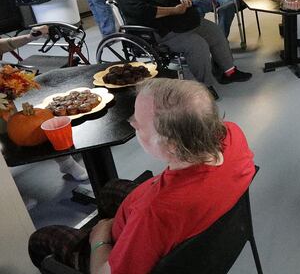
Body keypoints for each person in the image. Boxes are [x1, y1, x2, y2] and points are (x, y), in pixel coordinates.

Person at [28, 78, 256, 273]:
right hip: (207, 218)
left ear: (172, 146)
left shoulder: (155, 211)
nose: (132, 122)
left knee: (40, 240)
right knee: (110, 189)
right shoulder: (233, 133)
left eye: (138, 125)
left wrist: (100, 240)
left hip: (130, 243)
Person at [115, 0, 251, 99]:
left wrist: (187, 0)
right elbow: (141, 12)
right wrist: (173, 11)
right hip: (158, 31)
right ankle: (204, 86)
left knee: (214, 31)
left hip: (181, 22)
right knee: (198, 45)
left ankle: (229, 72)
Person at [1, 26, 89, 183]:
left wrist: (29, 37)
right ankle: (12, 199)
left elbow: (4, 44)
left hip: (5, 98)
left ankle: (66, 163)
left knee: (36, 128)